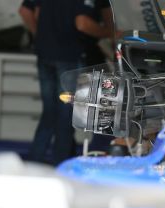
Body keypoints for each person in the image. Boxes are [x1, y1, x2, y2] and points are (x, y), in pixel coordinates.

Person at [19, 0, 114, 165]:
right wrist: (109, 33)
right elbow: (82, 24)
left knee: (49, 113)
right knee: (65, 116)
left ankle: (34, 163)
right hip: (70, 58)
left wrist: (40, 35)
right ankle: (61, 167)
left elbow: (25, 11)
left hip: (46, 55)